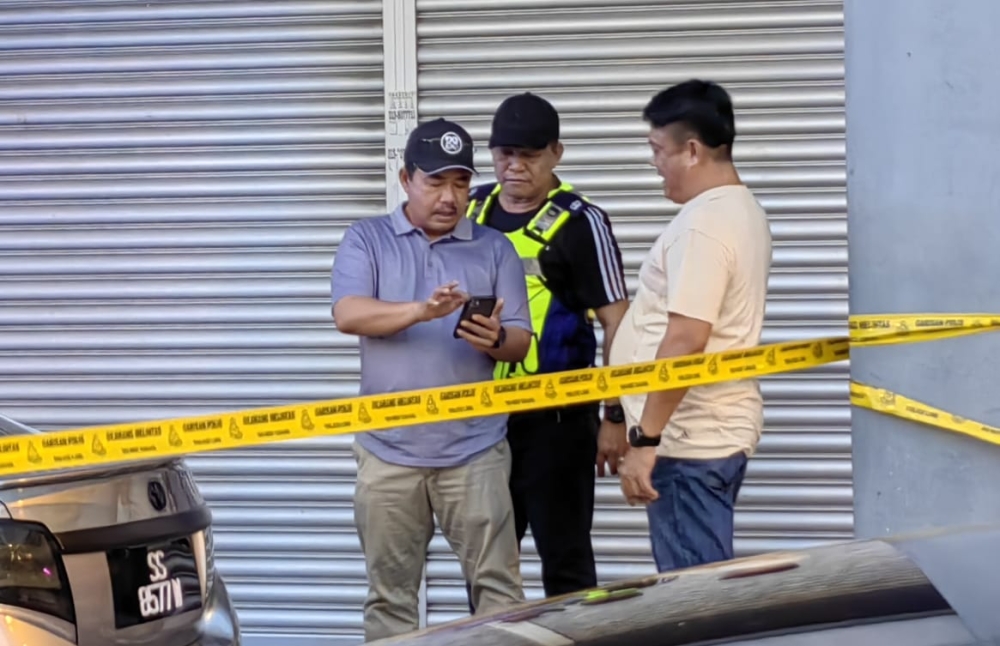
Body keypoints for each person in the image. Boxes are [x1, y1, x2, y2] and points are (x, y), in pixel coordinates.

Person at [331, 117, 533, 642]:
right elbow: (349, 313)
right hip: (387, 455)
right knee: (392, 600)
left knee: (500, 597)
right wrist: (422, 311)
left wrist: (491, 338)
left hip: (476, 451)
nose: (450, 197)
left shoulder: (493, 248)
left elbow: (520, 340)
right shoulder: (367, 239)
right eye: (436, 182)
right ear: (406, 179)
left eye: (461, 183)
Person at [464, 92, 631, 602]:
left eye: (529, 155)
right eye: (503, 153)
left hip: (556, 421)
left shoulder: (582, 223)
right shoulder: (472, 209)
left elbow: (618, 321)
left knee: (567, 563)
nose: (514, 167)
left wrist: (615, 414)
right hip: (481, 418)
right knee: (487, 563)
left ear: (556, 153)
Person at [609, 79, 773, 573]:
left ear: (693, 150)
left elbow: (686, 340)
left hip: (687, 445)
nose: (655, 163)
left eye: (658, 149)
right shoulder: (742, 210)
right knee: (707, 587)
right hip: (707, 437)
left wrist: (646, 441)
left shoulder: (703, 226)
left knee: (696, 600)